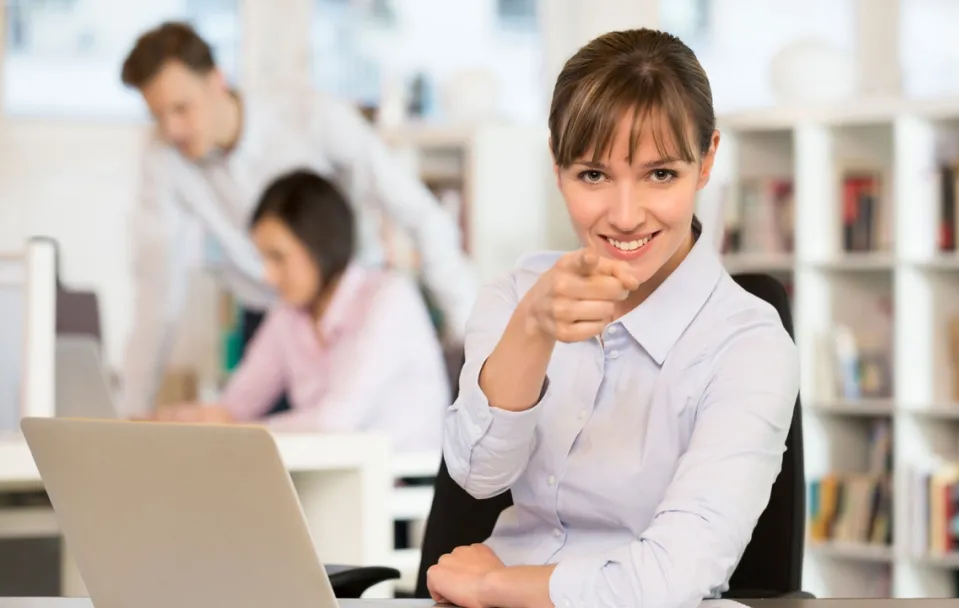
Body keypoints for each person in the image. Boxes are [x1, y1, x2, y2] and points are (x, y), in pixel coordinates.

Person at [424, 28, 801, 608]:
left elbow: (671, 580)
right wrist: (533, 329)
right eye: (594, 175)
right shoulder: (515, 295)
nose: (625, 217)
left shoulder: (748, 345)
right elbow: (475, 476)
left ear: (706, 162)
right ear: (558, 166)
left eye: (660, 174)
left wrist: (495, 584)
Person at [117, 22, 475, 417]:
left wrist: (473, 345)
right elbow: (157, 288)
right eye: (158, 115)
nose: (171, 129)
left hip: (352, 309)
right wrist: (131, 414)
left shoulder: (309, 116)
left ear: (217, 81)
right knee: (261, 455)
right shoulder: (164, 157)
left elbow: (417, 212)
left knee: (331, 432)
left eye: (182, 109)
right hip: (274, 319)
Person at [147, 169, 448, 453]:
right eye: (264, 259)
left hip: (403, 483)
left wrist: (237, 430)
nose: (267, 275)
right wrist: (178, 420)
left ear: (320, 244)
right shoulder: (288, 313)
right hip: (333, 473)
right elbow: (235, 406)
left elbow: (335, 422)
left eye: (278, 257)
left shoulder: (387, 298)